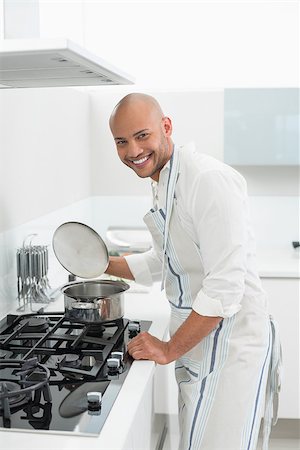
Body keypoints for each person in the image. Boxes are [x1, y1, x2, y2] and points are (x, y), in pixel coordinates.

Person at [105, 93, 281, 450]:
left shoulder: (207, 180)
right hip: (198, 343)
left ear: (166, 127)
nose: (133, 150)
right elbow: (164, 259)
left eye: (142, 136)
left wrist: (169, 348)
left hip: (230, 347)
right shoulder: (164, 183)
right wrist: (101, 263)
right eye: (121, 142)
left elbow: (224, 288)